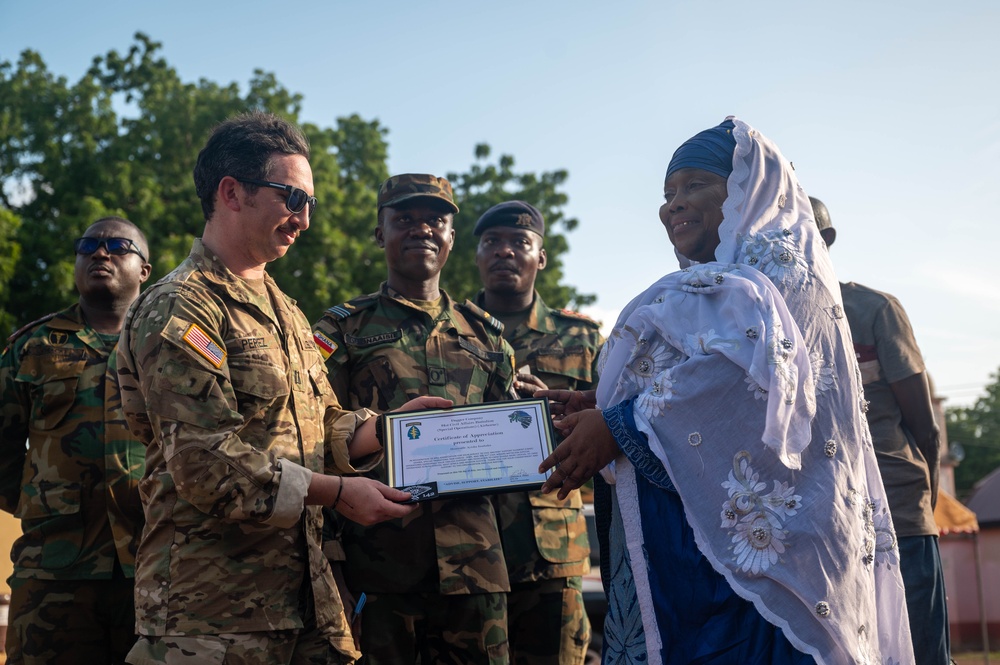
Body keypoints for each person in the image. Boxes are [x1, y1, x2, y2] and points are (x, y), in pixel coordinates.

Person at [536, 117, 915, 663]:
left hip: (776, 560)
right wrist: (605, 408)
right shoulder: (719, 283)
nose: (673, 204)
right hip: (705, 554)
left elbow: (739, 386)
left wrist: (620, 425)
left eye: (695, 185)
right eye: (667, 193)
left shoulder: (789, 275)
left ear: (745, 190)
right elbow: (692, 383)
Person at [116, 113, 447, 665]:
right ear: (232, 193)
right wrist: (339, 494)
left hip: (307, 604)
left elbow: (321, 423)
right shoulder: (182, 305)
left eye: (309, 203)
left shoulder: (287, 311)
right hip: (213, 617)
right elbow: (205, 463)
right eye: (293, 197)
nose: (305, 219)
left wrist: (385, 431)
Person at [312, 173, 516, 665]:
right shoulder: (341, 329)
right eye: (404, 219)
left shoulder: (488, 337)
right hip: (377, 569)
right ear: (380, 233)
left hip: (476, 569)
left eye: (436, 220)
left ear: (450, 238)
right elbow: (313, 433)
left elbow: (515, 447)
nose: (421, 229)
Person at [0, 216, 152, 664]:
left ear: (145, 269)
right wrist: (46, 505)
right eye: (88, 246)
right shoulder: (32, 346)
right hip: (53, 574)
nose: (100, 254)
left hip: (157, 567)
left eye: (118, 246)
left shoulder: (170, 342)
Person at [813, 196, 950, 665]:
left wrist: (921, 502)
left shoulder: (873, 309)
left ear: (825, 239)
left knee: (921, 650)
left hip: (895, 507)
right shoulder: (759, 311)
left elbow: (924, 425)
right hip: (820, 518)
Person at [473, 200, 598, 664]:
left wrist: (561, 413)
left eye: (520, 242)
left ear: (541, 256)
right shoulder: (449, 331)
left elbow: (615, 431)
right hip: (465, 547)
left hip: (551, 547)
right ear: (478, 255)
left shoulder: (581, 339)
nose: (505, 252)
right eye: (492, 242)